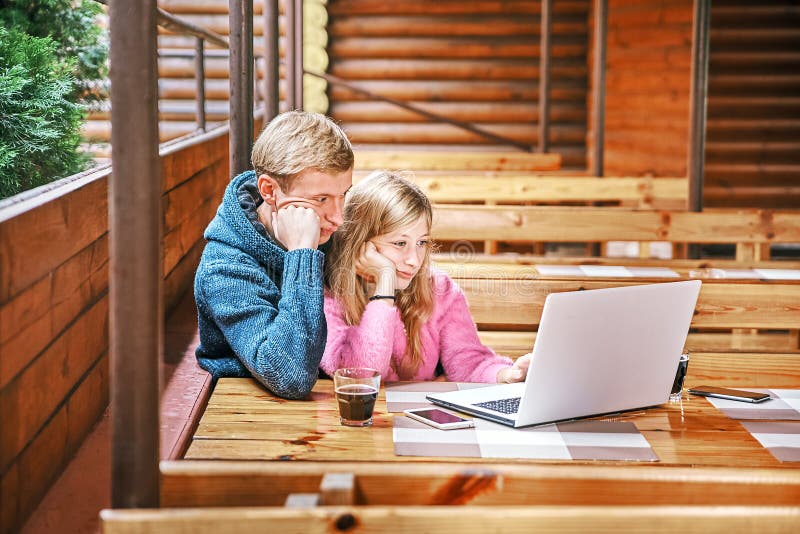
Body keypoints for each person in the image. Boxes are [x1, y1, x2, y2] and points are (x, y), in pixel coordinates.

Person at [194, 110, 353, 399]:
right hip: (247, 417)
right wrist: (302, 254)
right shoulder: (223, 267)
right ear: (269, 190)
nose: (338, 217)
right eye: (321, 199)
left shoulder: (326, 227)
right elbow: (290, 375)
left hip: (322, 409)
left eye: (344, 195)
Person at [322, 171, 531, 383]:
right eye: (400, 243)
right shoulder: (330, 296)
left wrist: (507, 375)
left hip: (420, 414)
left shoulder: (439, 289)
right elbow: (361, 375)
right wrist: (384, 288)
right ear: (360, 243)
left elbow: (468, 361)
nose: (414, 260)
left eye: (421, 243)